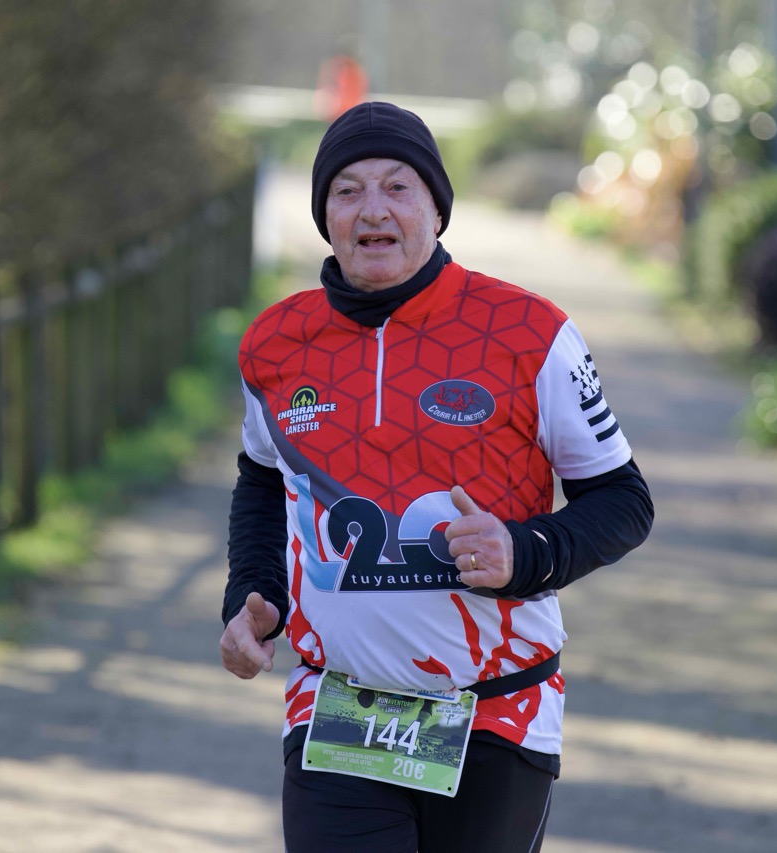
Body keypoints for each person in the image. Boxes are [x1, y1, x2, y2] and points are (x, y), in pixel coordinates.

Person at [220, 101, 654, 853]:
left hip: (497, 710)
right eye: (347, 191)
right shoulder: (276, 343)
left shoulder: (530, 333)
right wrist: (253, 593)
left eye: (398, 187)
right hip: (340, 708)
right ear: (325, 215)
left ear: (437, 208)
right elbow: (261, 480)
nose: (373, 209)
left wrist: (526, 551)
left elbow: (624, 501)